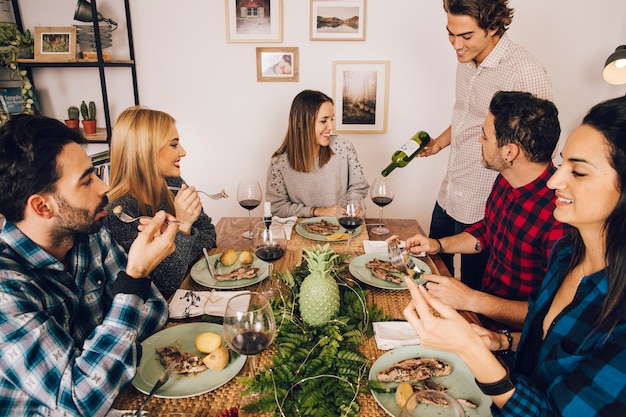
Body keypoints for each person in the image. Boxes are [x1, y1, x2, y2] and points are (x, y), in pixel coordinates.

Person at [403, 95, 626, 416]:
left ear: (510, 151)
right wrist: (501, 341)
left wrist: (470, 330)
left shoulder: (559, 226)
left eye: (578, 172)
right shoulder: (569, 254)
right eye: (564, 164)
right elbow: (546, 340)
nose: (555, 180)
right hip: (502, 358)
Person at [0, 115, 177, 415]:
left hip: (118, 400)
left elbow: (156, 311)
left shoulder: (87, 236)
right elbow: (80, 399)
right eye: (86, 180)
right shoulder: (7, 288)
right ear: (42, 207)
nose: (105, 186)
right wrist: (133, 281)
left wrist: (93, 363)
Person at [406, 91, 569, 331]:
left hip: (516, 340)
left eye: (485, 135)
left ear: (509, 152)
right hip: (481, 316)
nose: (479, 140)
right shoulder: (506, 179)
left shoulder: (560, 216)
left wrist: (471, 299)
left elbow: (551, 315)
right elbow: (488, 231)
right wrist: (438, 245)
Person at [418, 0, 553, 288]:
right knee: (430, 270)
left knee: (472, 291)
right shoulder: (466, 61)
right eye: (450, 34)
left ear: (493, 27)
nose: (456, 45)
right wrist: (439, 144)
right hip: (452, 189)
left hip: (486, 203)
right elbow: (467, 116)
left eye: (465, 36)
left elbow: (538, 141)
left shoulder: (524, 71)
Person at [104, 106, 217, 299]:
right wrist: (182, 226)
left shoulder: (173, 184)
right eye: (174, 145)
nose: (183, 152)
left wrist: (174, 240)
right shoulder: (119, 213)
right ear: (144, 151)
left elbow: (209, 237)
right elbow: (164, 285)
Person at [266, 89, 369, 218]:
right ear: (300, 123)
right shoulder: (279, 162)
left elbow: (359, 186)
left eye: (331, 119)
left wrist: (353, 205)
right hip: (299, 231)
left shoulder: (344, 148)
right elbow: (276, 208)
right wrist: (316, 211)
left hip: (340, 227)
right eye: (323, 121)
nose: (331, 127)